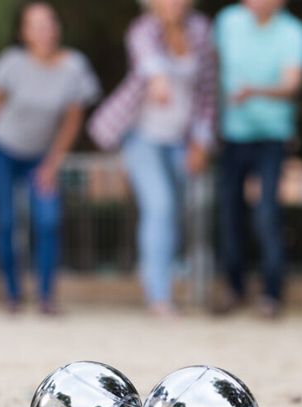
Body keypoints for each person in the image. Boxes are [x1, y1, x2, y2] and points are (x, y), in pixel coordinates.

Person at [89, 0, 216, 318]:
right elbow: (148, 62)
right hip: (141, 136)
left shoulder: (201, 31)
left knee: (179, 213)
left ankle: (171, 284)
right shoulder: (143, 30)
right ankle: (159, 298)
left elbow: (207, 91)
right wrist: (158, 79)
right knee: (159, 206)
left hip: (181, 140)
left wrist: (202, 141)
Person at [0, 2, 100, 315]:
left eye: (49, 23)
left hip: (41, 155)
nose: (45, 30)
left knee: (48, 220)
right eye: (35, 25)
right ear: (24, 33)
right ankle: (12, 294)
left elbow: (72, 120)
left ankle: (46, 296)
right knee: (6, 222)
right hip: (2, 149)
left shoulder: (74, 67)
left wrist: (52, 163)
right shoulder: (10, 64)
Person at [213, 0, 302, 319]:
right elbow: (211, 72)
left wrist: (254, 92)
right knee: (228, 212)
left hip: (272, 134)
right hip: (231, 134)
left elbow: (292, 83)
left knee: (267, 213)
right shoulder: (227, 22)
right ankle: (234, 288)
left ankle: (271, 293)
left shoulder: (295, 32)